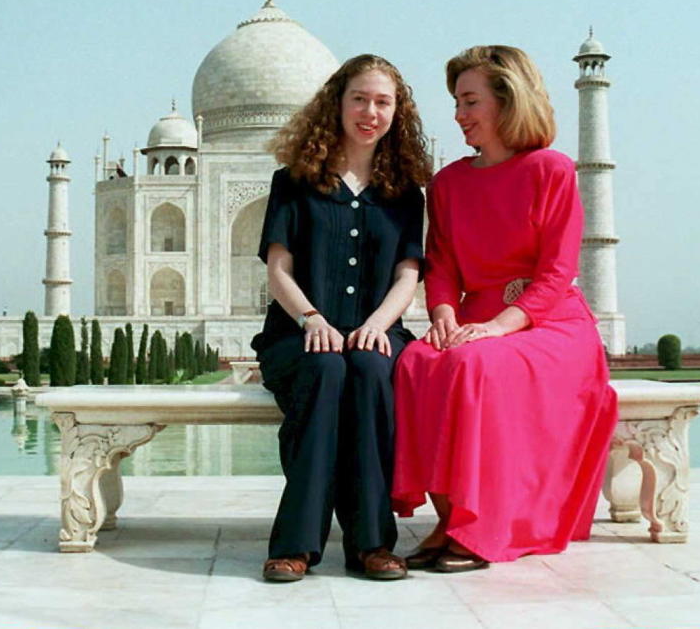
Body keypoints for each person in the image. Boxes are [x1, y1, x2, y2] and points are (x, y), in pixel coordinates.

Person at [392, 45, 618, 572]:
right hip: (475, 318)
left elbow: (558, 271)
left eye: (470, 101)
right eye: (456, 101)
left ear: (506, 101)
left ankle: (482, 529)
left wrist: (496, 326)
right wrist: (443, 313)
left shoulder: (551, 170)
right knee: (417, 363)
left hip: (549, 321)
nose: (459, 114)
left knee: (475, 366)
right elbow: (441, 261)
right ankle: (449, 520)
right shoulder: (448, 183)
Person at [252, 54, 431, 582]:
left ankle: (371, 543)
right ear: (337, 103)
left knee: (373, 371)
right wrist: (311, 318)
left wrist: (377, 324)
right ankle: (296, 545)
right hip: (300, 333)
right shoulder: (295, 181)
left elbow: (407, 274)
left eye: (382, 102)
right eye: (360, 98)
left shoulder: (404, 194)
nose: (370, 112)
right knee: (326, 370)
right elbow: (278, 270)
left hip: (377, 332)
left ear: (397, 112)